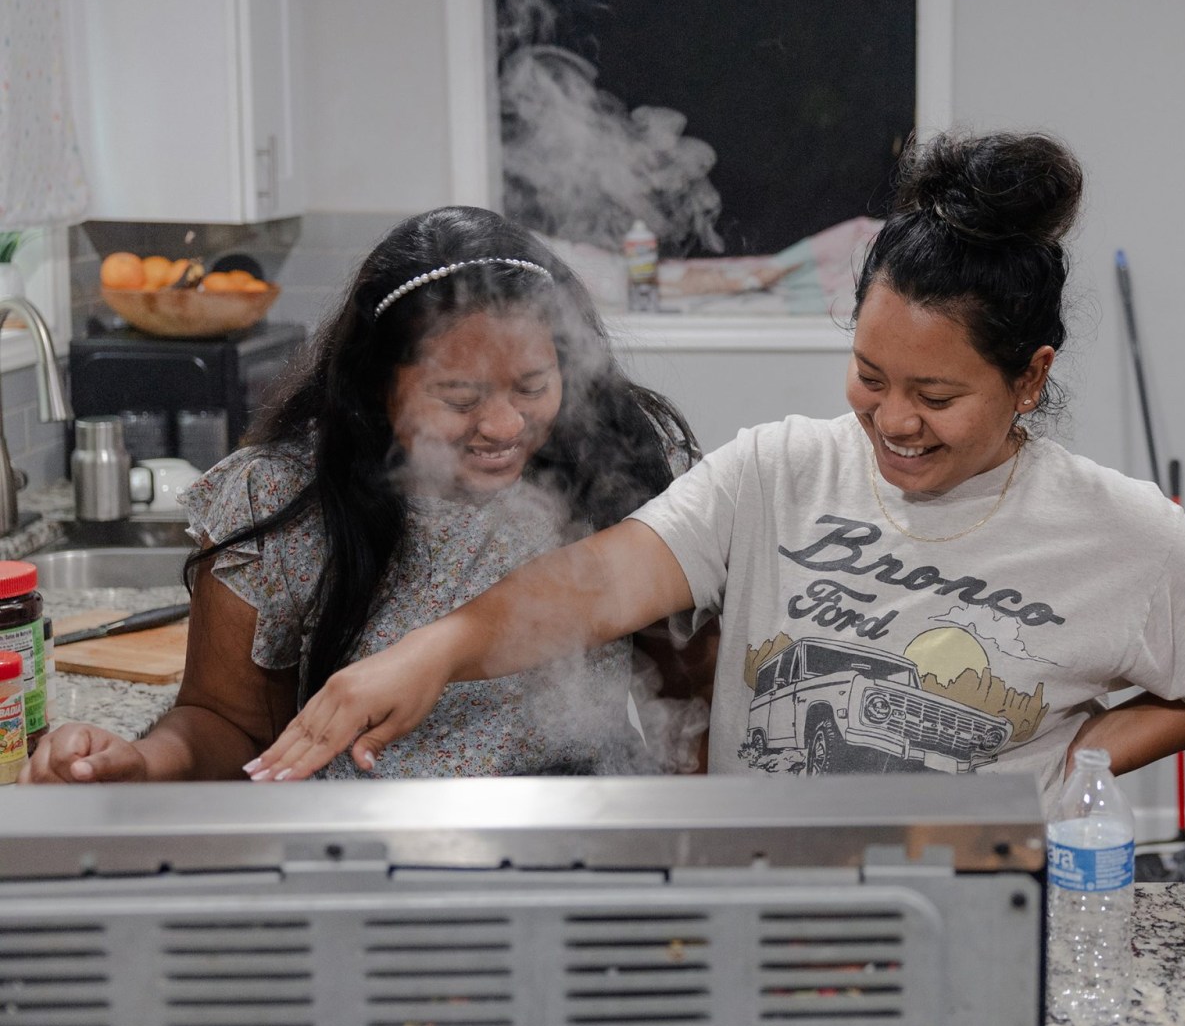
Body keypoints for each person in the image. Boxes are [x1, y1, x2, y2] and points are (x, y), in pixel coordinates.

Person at [244, 132, 1185, 808]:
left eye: (937, 397)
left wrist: (1086, 759)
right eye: (868, 373)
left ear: (1030, 379)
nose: (893, 420)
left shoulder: (1110, 525)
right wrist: (432, 651)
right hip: (770, 896)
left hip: (981, 898)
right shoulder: (778, 470)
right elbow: (597, 582)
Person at [24, 206, 704, 784]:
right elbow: (225, 724)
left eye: (531, 386)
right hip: (365, 863)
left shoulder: (619, 470)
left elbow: (691, 698)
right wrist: (141, 764)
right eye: (459, 397)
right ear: (378, 386)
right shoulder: (279, 501)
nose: (503, 425)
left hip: (584, 851)